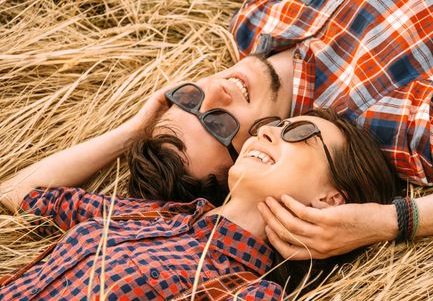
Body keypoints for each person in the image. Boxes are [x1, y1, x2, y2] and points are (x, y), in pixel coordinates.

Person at [130, 0, 433, 259]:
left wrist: (137, 129)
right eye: (219, 125)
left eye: (188, 98)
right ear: (252, 152)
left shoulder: (252, 20)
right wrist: (393, 220)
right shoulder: (378, 118)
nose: (215, 92)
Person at [0, 109, 398, 300]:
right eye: (272, 125)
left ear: (330, 200)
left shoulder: (248, 294)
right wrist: (134, 130)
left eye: (302, 132)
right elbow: (17, 194)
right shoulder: (152, 214)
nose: (270, 132)